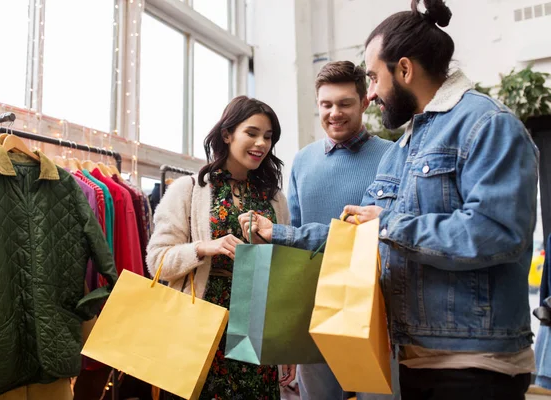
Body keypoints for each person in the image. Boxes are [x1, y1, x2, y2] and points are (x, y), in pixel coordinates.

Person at [340, 0, 538, 399]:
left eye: (374, 78)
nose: (371, 93)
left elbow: (495, 232)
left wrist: (389, 225)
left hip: (476, 365)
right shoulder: (405, 148)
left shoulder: (488, 125)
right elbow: (373, 226)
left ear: (405, 69)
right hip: (417, 356)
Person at [240, 61, 396, 400]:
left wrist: (280, 234)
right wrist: (289, 333)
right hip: (316, 307)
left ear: (364, 102)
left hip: (374, 306)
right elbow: (294, 242)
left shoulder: (392, 156)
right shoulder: (303, 160)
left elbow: (361, 232)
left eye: (344, 103)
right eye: (326, 104)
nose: (334, 113)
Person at [146, 95, 295, 399]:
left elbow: (283, 275)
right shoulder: (190, 190)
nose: (261, 144)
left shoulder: (275, 199)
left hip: (255, 327)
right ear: (227, 134)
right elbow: (157, 261)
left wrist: (286, 341)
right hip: (201, 322)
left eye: (268, 137)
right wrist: (202, 248)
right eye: (251, 133)